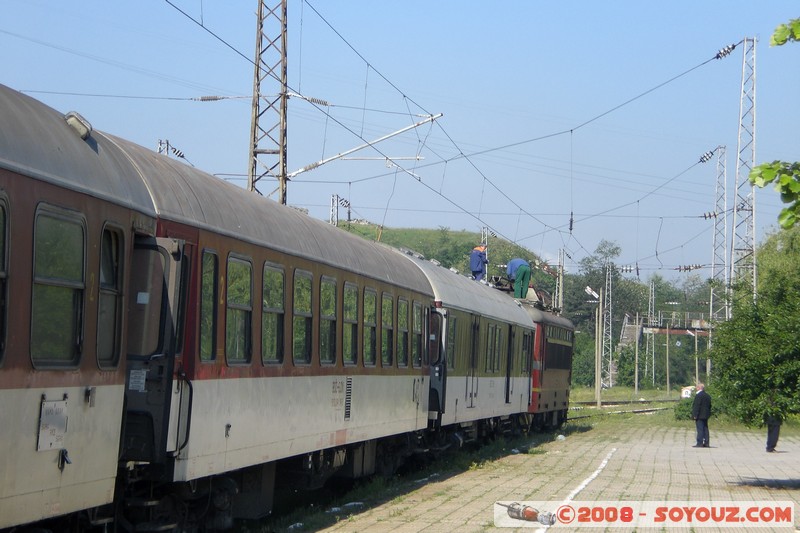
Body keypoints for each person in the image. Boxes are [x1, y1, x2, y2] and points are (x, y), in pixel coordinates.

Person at [691, 382, 711, 448]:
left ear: (699, 388)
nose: (696, 388)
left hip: (699, 415)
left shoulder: (698, 395)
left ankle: (699, 443)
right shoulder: (707, 395)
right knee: (705, 429)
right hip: (706, 415)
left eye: (697, 387)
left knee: (700, 429)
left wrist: (695, 415)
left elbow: (697, 406)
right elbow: (709, 406)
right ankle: (706, 443)